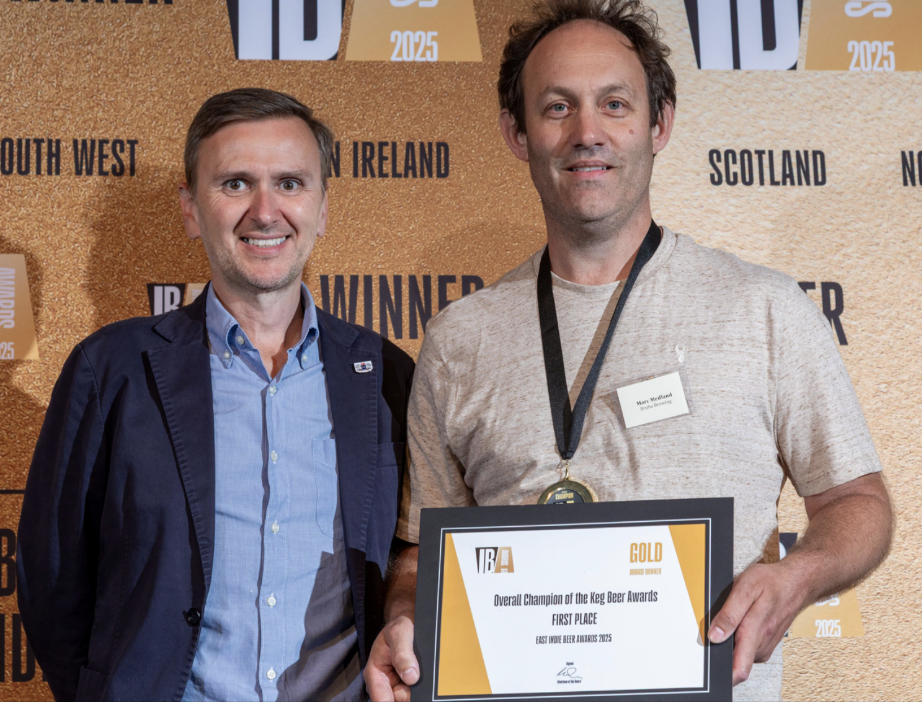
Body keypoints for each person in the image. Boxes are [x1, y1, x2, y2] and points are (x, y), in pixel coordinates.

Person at [363, 1, 892, 701]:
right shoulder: (460, 339)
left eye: (615, 104)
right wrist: (404, 616)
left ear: (659, 123)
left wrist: (798, 576)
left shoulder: (764, 309)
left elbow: (858, 503)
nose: (587, 132)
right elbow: (419, 552)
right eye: (557, 107)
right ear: (517, 133)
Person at [17, 88, 413, 702]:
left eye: (289, 183)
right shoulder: (110, 370)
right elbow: (52, 579)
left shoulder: (384, 373)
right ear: (190, 210)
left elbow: (408, 553)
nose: (265, 211)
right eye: (235, 184)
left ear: (322, 209)